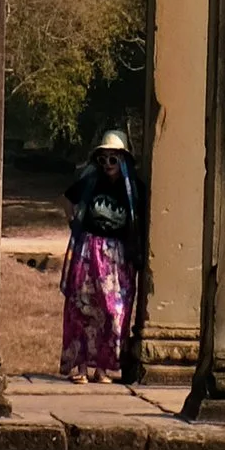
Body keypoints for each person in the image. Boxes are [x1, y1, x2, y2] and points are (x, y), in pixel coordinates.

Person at [60, 124, 142, 383]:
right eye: (104, 158)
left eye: (114, 158)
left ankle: (103, 369)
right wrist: (73, 221)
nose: (108, 163)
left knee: (113, 311)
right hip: (89, 250)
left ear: (124, 160)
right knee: (83, 307)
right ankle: (82, 368)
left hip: (117, 256)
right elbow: (67, 198)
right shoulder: (91, 182)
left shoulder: (134, 189)